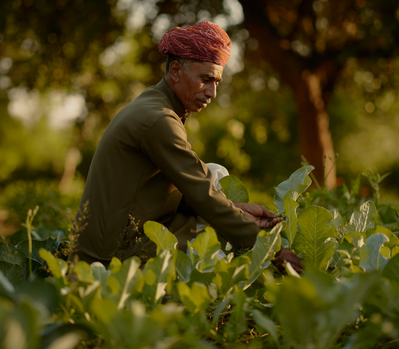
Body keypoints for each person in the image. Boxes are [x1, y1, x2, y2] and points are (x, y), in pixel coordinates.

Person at [73, 21, 295, 270]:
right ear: (176, 71)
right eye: (206, 79)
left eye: (217, 82)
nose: (212, 92)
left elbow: (190, 187)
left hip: (121, 235)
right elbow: (200, 192)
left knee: (214, 172)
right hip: (110, 257)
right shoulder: (158, 119)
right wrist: (271, 251)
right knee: (211, 248)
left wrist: (236, 210)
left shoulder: (156, 105)